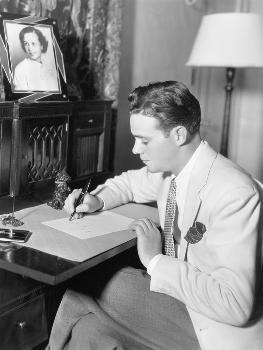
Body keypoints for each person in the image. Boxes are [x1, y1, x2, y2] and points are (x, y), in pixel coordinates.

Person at [47, 81, 263, 350]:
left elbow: (236, 305)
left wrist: (154, 259)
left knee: (93, 281)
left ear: (179, 135)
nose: (135, 149)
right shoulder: (172, 171)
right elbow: (128, 184)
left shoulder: (234, 192)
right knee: (89, 330)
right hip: (184, 301)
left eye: (144, 140)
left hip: (215, 329)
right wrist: (97, 199)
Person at [13, 26, 59, 91]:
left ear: (41, 45)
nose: (29, 48)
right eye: (26, 44)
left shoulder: (49, 65)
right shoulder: (21, 69)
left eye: (33, 43)